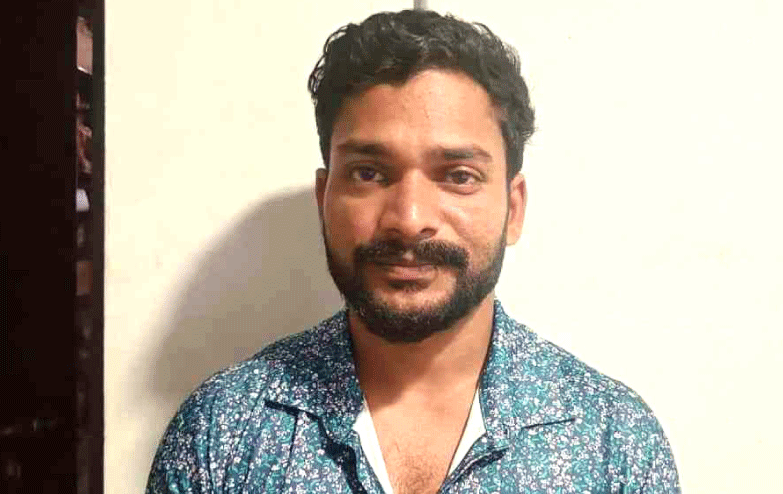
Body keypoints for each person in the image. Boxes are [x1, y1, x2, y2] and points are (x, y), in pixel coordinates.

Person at [147, 9, 680, 494]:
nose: (408, 218)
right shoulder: (221, 433)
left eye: (458, 176)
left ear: (513, 208)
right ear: (323, 199)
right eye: (369, 173)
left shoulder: (614, 443)